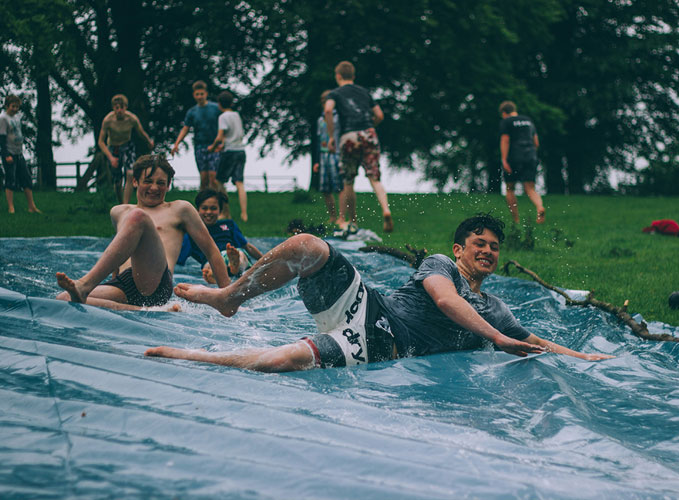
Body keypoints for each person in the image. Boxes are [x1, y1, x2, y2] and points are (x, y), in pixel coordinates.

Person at [145, 213, 614, 371]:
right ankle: (231, 296)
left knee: (282, 362)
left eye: (494, 247)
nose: (488, 252)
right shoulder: (441, 265)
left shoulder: (496, 307)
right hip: (369, 307)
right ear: (460, 248)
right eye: (480, 245)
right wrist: (497, 338)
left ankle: (190, 357)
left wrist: (582, 358)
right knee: (308, 245)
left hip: (385, 344)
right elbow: (446, 301)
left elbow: (533, 341)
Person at [56, 155, 230, 311]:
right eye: (148, 181)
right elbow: (120, 251)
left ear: (168, 185)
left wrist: (227, 297)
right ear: (135, 182)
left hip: (155, 284)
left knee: (138, 217)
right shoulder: (118, 212)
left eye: (161, 183)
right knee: (64, 299)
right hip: (124, 284)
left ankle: (85, 284)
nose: (154, 188)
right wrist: (113, 279)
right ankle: (144, 310)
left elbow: (211, 250)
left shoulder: (180, 209)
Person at [325, 61, 393, 234]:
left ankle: (353, 220)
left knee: (348, 181)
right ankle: (386, 210)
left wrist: (332, 136)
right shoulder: (364, 92)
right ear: (353, 77)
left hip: (349, 135)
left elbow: (327, 110)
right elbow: (379, 115)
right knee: (374, 177)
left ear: (338, 76)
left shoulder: (335, 93)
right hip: (368, 133)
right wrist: (371, 126)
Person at [177, 189, 263, 284]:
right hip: (211, 261)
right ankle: (223, 272)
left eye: (213, 208)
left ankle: (232, 266)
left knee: (240, 255)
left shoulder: (228, 225)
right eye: (204, 208)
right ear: (197, 210)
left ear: (220, 210)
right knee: (209, 265)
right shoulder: (192, 233)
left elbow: (247, 246)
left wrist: (264, 259)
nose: (209, 212)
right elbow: (177, 254)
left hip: (231, 253)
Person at [97, 94, 155, 204]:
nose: (119, 110)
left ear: (125, 107)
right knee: (118, 181)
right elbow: (100, 142)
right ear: (113, 108)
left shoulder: (132, 119)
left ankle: (126, 204)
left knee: (130, 173)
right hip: (113, 149)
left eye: (121, 107)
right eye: (116, 107)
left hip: (127, 146)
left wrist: (148, 141)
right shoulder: (108, 120)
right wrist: (111, 157)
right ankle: (120, 204)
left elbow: (141, 132)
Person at [499, 101, 545, 224]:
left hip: (514, 156)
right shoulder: (528, 120)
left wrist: (504, 159)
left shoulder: (506, 122)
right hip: (530, 155)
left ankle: (516, 220)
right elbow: (536, 142)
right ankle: (540, 207)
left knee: (510, 188)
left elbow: (505, 140)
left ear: (504, 113)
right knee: (530, 188)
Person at [172, 81, 221, 191]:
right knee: (204, 178)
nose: (199, 97)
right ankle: (202, 204)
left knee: (213, 178)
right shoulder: (192, 112)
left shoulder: (216, 108)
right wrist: (177, 143)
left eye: (201, 94)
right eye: (197, 94)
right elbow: (186, 128)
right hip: (200, 146)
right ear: (194, 95)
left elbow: (224, 125)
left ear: (206, 94)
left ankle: (218, 203)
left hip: (215, 145)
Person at [209, 90, 248, 221]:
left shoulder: (223, 117)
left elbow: (220, 136)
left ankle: (225, 212)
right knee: (239, 182)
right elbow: (235, 134)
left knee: (219, 181)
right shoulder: (236, 115)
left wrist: (212, 147)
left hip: (230, 152)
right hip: (241, 150)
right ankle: (244, 214)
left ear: (219, 104)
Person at [0, 94, 41, 214]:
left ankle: (31, 206)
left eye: (17, 107)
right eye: (13, 106)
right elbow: (1, 139)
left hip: (19, 153)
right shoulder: (3, 119)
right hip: (9, 153)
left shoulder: (17, 117)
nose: (15, 109)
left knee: (26, 178)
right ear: (7, 106)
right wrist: (6, 154)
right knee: (10, 179)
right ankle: (11, 207)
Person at [313, 90, 343, 226]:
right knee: (325, 188)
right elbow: (319, 139)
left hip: (336, 153)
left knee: (339, 186)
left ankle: (341, 217)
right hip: (323, 154)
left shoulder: (339, 117)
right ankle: (332, 216)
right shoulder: (320, 119)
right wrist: (317, 161)